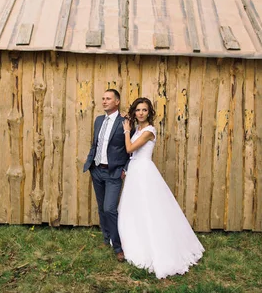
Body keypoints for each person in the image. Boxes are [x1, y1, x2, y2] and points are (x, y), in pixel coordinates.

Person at [119, 97, 204, 279]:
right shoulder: (138, 129)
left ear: (149, 112)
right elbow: (133, 156)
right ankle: (133, 242)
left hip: (144, 172)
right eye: (138, 110)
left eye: (144, 110)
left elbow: (130, 148)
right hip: (134, 170)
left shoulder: (149, 130)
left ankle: (156, 247)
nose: (141, 113)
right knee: (134, 208)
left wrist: (126, 131)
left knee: (149, 208)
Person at [83, 89, 131, 262]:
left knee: (110, 208)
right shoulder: (98, 120)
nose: (104, 101)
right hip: (97, 170)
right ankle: (106, 239)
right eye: (102, 98)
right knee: (101, 208)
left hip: (113, 173)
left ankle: (118, 248)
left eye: (108, 99)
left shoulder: (125, 122)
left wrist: (125, 168)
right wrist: (90, 163)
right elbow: (95, 144)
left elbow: (131, 148)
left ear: (117, 101)